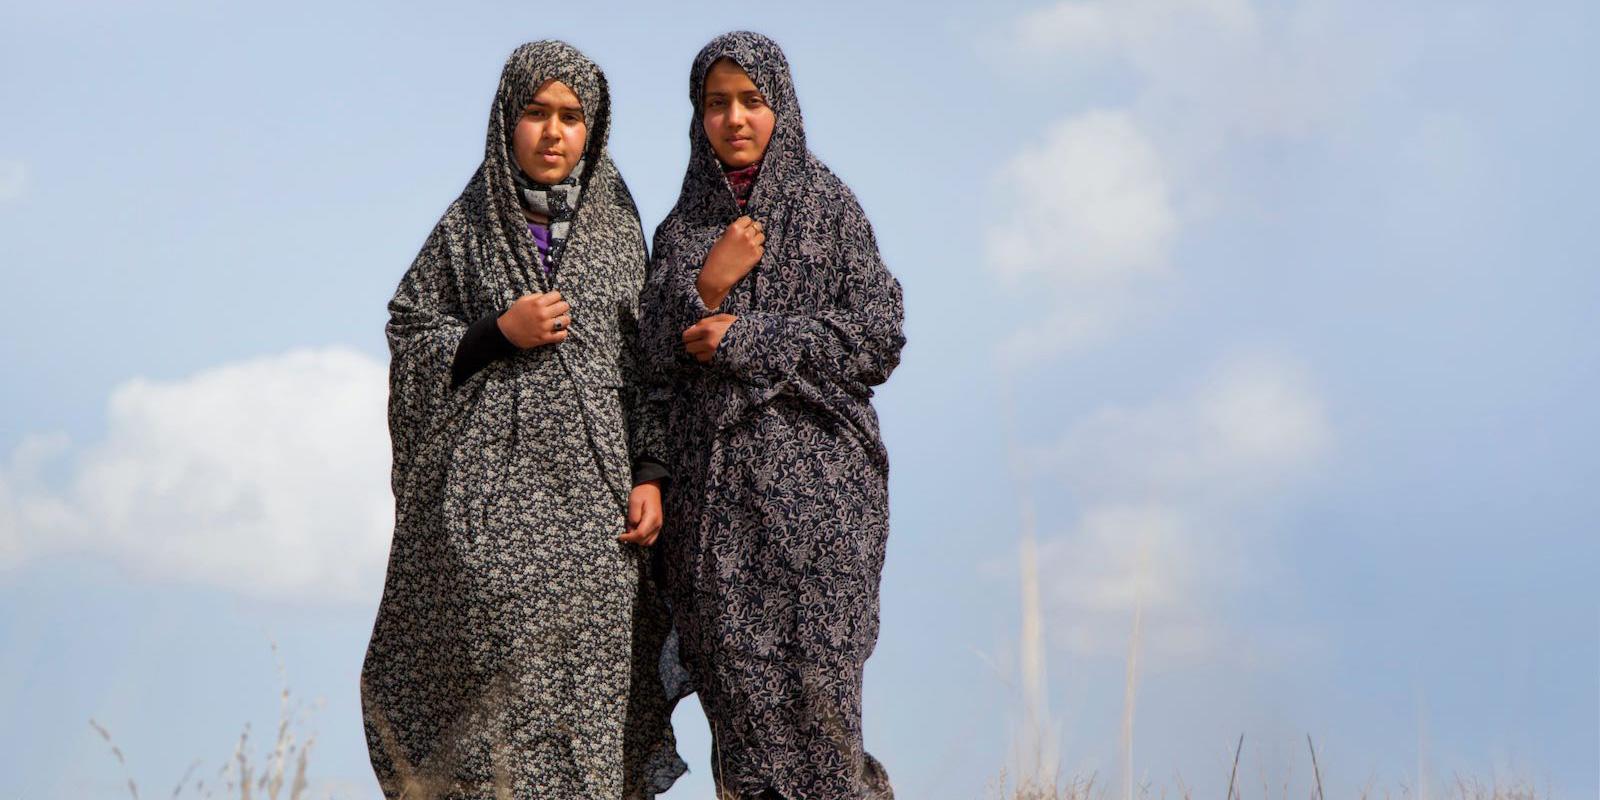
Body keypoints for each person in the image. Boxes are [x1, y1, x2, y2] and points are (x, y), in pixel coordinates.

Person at [360, 40, 685, 798]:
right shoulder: (467, 225)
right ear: (507, 119)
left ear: (593, 129)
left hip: (598, 522)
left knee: (591, 712)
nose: (553, 132)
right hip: (485, 520)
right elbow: (411, 331)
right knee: (494, 715)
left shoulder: (617, 227)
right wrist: (495, 333)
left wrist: (651, 475)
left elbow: (648, 366)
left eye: (571, 116)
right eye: (536, 113)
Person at [640, 30, 905, 800]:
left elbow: (878, 337)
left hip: (823, 517)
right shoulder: (680, 229)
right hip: (715, 528)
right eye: (716, 103)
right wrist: (708, 288)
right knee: (746, 736)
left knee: (824, 722)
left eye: (751, 100)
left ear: (780, 107)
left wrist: (749, 337)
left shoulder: (829, 207)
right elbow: (652, 364)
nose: (735, 118)